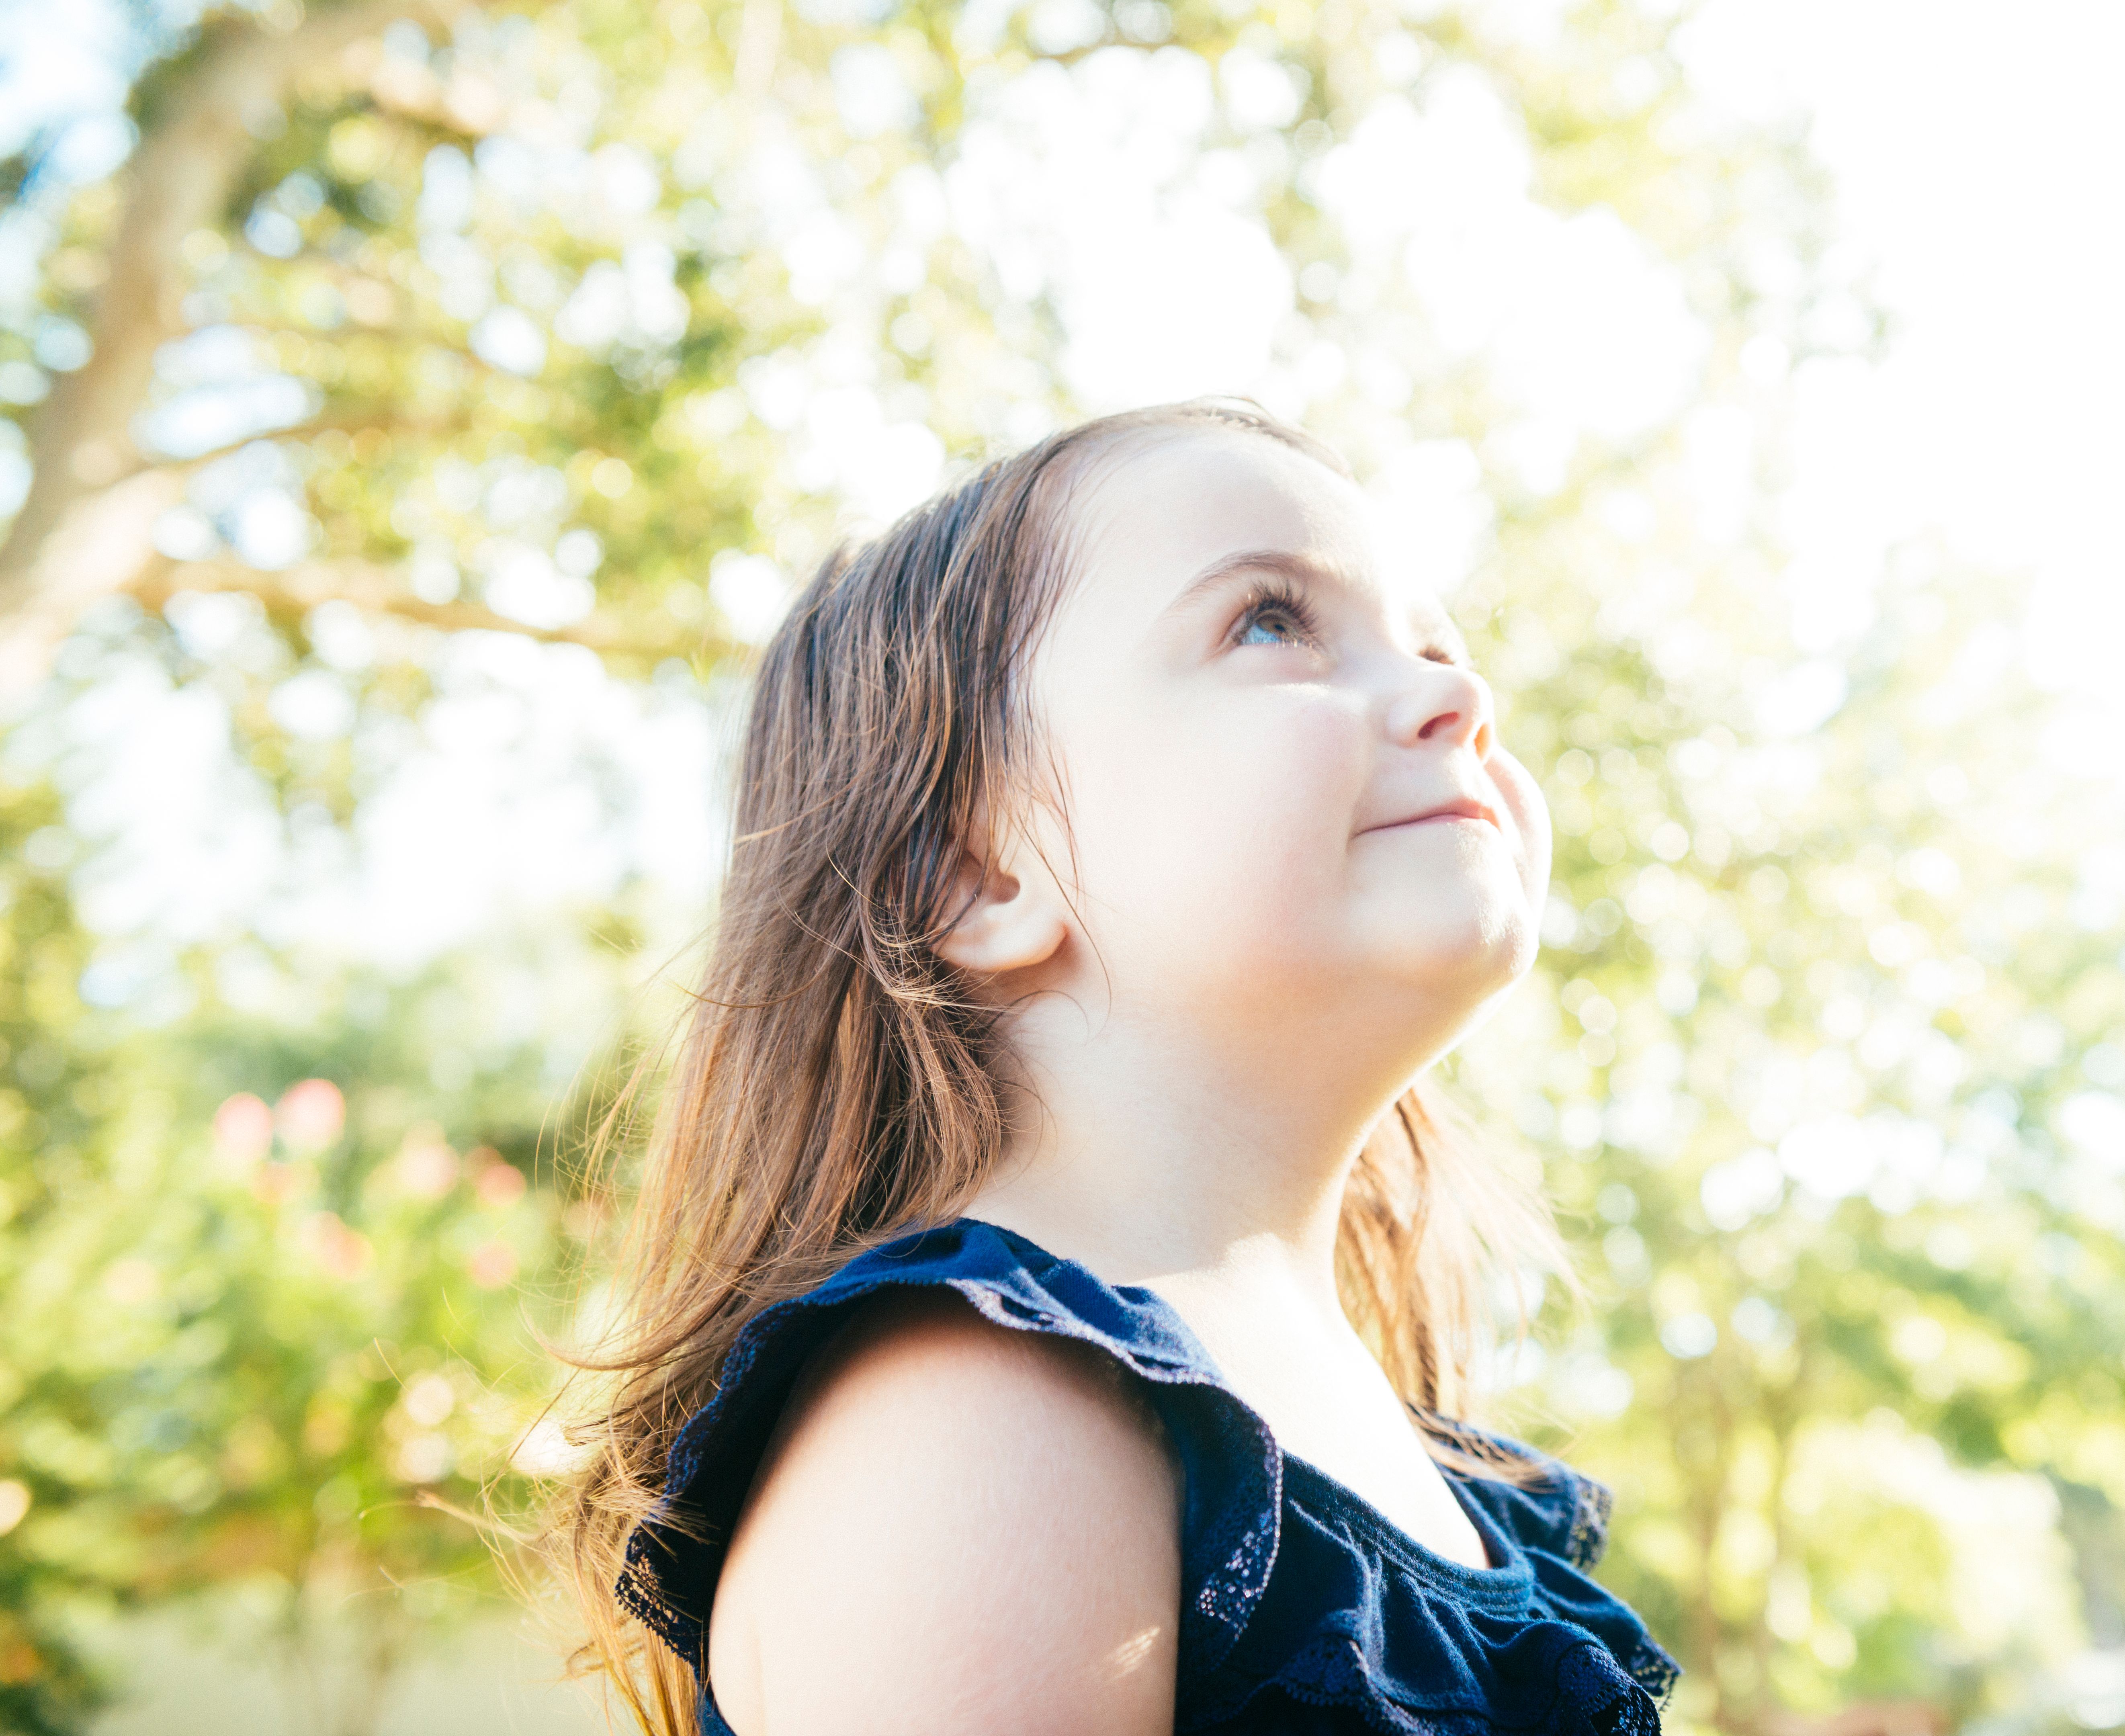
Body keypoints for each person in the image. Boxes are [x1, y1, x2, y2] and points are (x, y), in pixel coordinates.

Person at [550, 398, 1679, 1734]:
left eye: (1438, 643)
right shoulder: (981, 1423)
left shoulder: (1409, 1456)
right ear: (973, 874)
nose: (1462, 696)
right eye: (1271, 620)